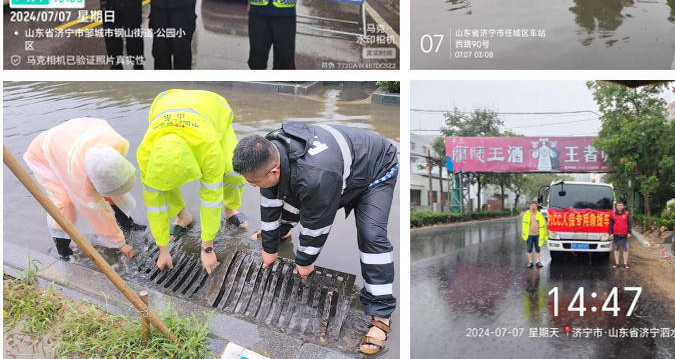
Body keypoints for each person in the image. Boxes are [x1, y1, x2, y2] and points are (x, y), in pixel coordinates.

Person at [232, 122, 398, 355]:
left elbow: (317, 225)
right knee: (289, 192)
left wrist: (304, 261)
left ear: (273, 171)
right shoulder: (271, 149)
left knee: (372, 236)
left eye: (253, 182)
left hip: (375, 170)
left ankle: (381, 314)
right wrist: (269, 247)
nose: (252, 186)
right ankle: (282, 231)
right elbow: (270, 198)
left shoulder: (316, 176)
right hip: (334, 171)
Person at [136, 89, 247, 275]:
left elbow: (211, 198)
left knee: (233, 170)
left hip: (213, 109)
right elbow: (155, 206)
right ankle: (183, 216)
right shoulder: (145, 157)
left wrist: (208, 248)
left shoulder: (209, 151)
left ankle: (230, 208)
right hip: (165, 104)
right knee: (164, 182)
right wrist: (163, 249)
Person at [23, 118, 146, 261]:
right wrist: (120, 244)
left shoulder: (116, 144)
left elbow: (115, 182)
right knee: (64, 203)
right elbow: (98, 213)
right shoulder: (78, 177)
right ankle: (63, 250)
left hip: (71, 139)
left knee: (113, 186)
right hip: (44, 153)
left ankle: (127, 224)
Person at [521, 200, 548, 268]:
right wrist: (524, 234)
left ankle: (538, 261)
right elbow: (524, 225)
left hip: (537, 235)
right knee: (529, 249)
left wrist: (544, 235)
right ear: (530, 206)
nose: (533, 207)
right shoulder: (526, 214)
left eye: (535, 205)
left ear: (537, 207)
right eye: (532, 205)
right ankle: (530, 262)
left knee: (538, 249)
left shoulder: (539, 215)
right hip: (529, 235)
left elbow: (543, 225)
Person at [609, 200, 632, 269]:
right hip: (616, 234)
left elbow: (629, 224)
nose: (619, 207)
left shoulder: (627, 214)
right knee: (616, 249)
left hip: (624, 234)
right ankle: (617, 263)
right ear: (616, 206)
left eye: (621, 205)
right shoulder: (613, 214)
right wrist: (611, 233)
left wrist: (629, 232)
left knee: (625, 249)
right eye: (618, 205)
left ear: (623, 206)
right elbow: (611, 225)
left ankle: (625, 263)